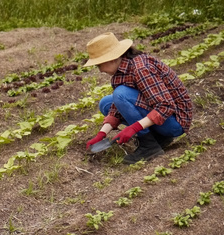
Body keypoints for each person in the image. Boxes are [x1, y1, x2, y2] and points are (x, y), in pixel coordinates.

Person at [83, 32, 193, 164]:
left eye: (99, 65)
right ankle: (157, 138)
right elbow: (116, 108)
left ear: (111, 58)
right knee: (106, 103)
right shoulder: (121, 72)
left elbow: (166, 106)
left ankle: (149, 146)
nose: (100, 70)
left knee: (120, 94)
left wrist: (133, 128)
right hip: (163, 119)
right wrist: (102, 134)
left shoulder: (141, 68)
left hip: (175, 123)